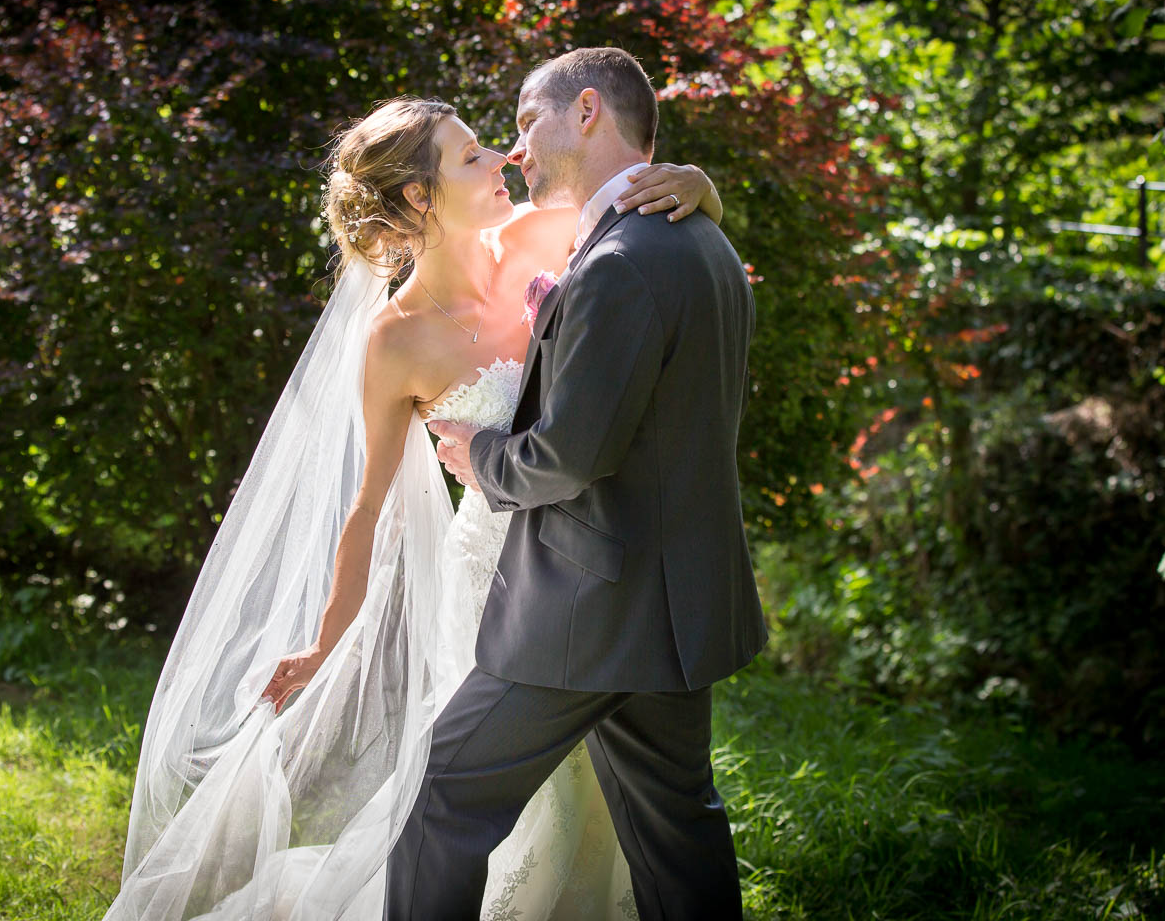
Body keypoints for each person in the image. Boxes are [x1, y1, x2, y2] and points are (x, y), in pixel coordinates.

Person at [106, 92, 724, 921]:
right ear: (419, 198)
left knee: (621, 803)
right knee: (493, 802)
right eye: (473, 155)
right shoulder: (395, 341)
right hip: (500, 584)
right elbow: (368, 507)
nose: (504, 159)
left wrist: (698, 185)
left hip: (608, 559)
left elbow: (639, 218)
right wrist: (327, 639)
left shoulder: (547, 235)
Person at [388, 48, 765, 921]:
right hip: (672, 610)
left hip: (585, 609)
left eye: (526, 122)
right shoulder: (700, 236)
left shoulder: (621, 260)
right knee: (677, 829)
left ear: (586, 111)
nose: (516, 150)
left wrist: (478, 454)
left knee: (442, 800)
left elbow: (567, 456)